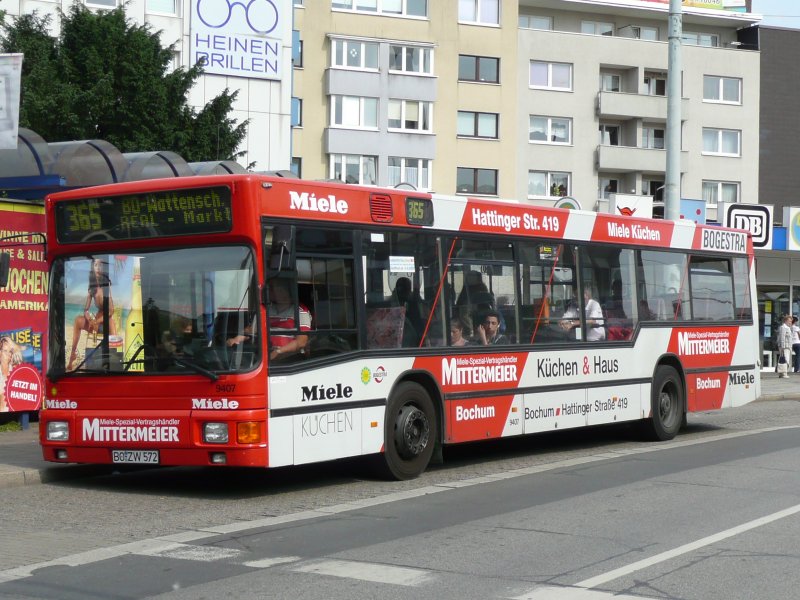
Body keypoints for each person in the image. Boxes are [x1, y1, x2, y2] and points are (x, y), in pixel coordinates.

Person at [228, 278, 311, 361]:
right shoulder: (265, 310)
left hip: (288, 360)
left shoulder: (300, 311)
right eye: (270, 289)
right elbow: (252, 332)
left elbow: (301, 342)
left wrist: (278, 351)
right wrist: (236, 339)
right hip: (261, 356)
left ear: (287, 291)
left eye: (274, 288)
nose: (270, 292)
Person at [68, 258, 116, 371]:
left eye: (100, 265)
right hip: (96, 321)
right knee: (77, 320)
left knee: (111, 322)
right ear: (92, 269)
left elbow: (111, 310)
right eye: (95, 265)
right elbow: (86, 309)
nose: (98, 267)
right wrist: (88, 318)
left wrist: (97, 321)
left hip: (105, 320)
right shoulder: (91, 288)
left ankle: (113, 359)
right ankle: (72, 354)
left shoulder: (106, 285)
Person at [0, 336, 23, 412]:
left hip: (14, 411)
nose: (8, 354)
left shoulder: (15, 371)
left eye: (10, 351)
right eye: (5, 351)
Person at [776, 314, 793, 378]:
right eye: (789, 321)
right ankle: (784, 373)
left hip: (788, 346)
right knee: (785, 359)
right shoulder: (783, 327)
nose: (790, 322)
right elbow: (782, 337)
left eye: (791, 321)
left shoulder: (788, 328)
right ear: (785, 321)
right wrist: (782, 346)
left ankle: (781, 372)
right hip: (785, 346)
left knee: (783, 359)